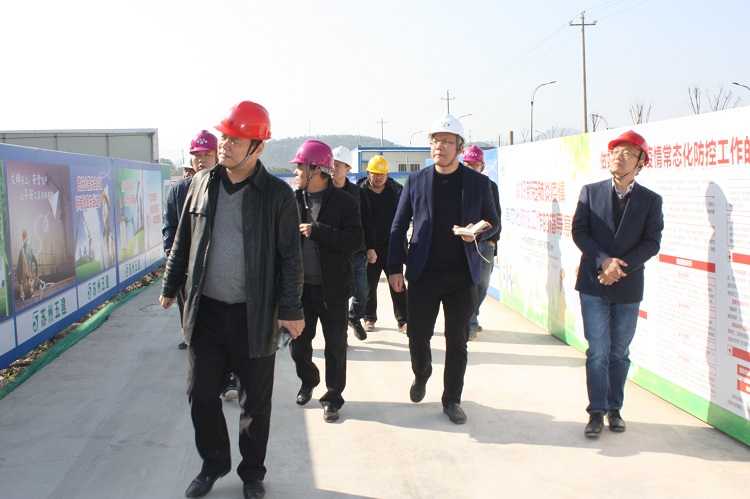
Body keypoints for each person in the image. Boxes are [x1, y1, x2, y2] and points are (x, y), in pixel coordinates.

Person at [159, 100, 305, 499]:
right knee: (200, 393)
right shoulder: (200, 184)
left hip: (254, 315)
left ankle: (252, 473)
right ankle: (213, 464)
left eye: (235, 140)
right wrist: (171, 285)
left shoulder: (277, 195)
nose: (224, 145)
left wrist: (291, 309)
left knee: (254, 404)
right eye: (224, 137)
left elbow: (291, 257)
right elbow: (183, 240)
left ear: (258, 147)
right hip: (206, 311)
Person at [387, 114, 500, 424]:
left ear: (460, 147)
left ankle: (452, 399)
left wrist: (477, 232)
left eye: (447, 141)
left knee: (457, 341)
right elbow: (398, 226)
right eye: (435, 140)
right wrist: (394, 267)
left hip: (462, 275)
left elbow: (493, 222)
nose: (440, 146)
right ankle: (422, 372)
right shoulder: (416, 180)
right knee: (417, 336)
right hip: (423, 273)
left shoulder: (479, 183)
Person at [571, 130, 663, 438]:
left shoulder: (650, 200)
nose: (618, 157)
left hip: (627, 285)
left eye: (627, 153)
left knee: (620, 352)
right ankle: (596, 412)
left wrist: (619, 268)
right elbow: (580, 231)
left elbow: (652, 242)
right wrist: (603, 261)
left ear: (641, 162)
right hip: (593, 284)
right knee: (598, 351)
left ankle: (614, 408)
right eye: (615, 152)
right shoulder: (591, 192)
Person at [290, 140, 363, 423]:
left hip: (333, 290)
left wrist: (318, 231)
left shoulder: (345, 202)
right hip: (300, 290)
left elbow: (355, 240)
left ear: (316, 170)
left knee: (335, 346)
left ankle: (332, 397)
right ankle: (308, 380)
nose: (296, 172)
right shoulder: (293, 201)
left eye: (300, 167)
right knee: (299, 344)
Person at [163, 130, 218, 350]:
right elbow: (170, 228)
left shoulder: (226, 187)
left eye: (207, 155)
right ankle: (190, 337)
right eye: (197, 155)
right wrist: (174, 261)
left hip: (216, 266)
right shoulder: (178, 191)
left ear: (217, 156)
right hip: (187, 265)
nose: (201, 160)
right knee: (187, 307)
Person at [357, 155, 408, 333]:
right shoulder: (360, 193)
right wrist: (365, 246)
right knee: (368, 286)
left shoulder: (396, 192)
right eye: (375, 173)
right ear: (368, 173)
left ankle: (404, 320)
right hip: (369, 248)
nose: (378, 177)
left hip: (392, 247)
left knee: (398, 285)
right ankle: (369, 318)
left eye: (382, 174)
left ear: (387, 174)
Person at [331, 146, 377, 341]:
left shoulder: (357, 193)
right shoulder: (324, 191)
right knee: (338, 298)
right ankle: (341, 336)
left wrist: (371, 247)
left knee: (362, 292)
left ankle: (354, 317)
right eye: (331, 165)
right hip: (333, 254)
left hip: (357, 253)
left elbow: (367, 220)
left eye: (338, 165)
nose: (333, 169)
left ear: (348, 169)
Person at [462, 145, 501, 340]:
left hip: (485, 243)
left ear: (482, 166)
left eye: (475, 165)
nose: (471, 168)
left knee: (482, 285)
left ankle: (473, 317)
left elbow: (496, 217)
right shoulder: (457, 186)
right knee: (467, 285)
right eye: (468, 165)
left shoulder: (489, 186)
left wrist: (492, 241)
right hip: (464, 242)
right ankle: (469, 324)